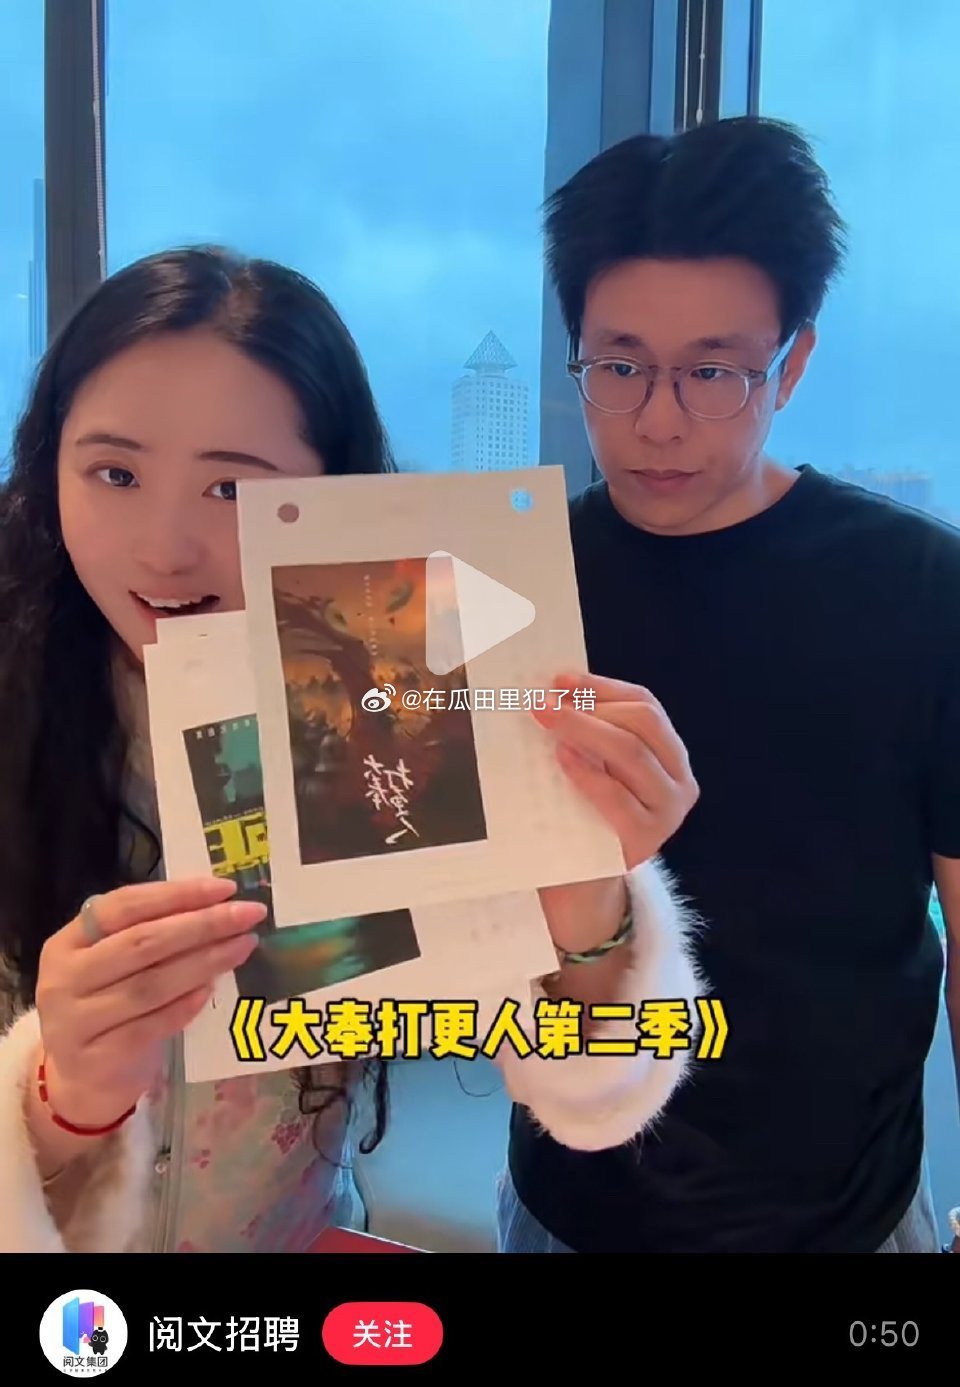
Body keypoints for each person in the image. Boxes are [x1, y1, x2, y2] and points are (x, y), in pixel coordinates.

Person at [0, 246, 704, 1253]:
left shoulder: (404, 703)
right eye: (114, 473)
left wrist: (589, 896)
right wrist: (59, 1098)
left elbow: (595, 1099)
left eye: (231, 490)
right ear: (49, 467)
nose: (162, 548)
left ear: (329, 499)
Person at [498, 115, 960, 1254]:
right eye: (619, 367)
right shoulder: (513, 590)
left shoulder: (922, 589)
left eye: (713, 371)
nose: (659, 421)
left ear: (791, 365)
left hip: (848, 1215)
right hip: (570, 1203)